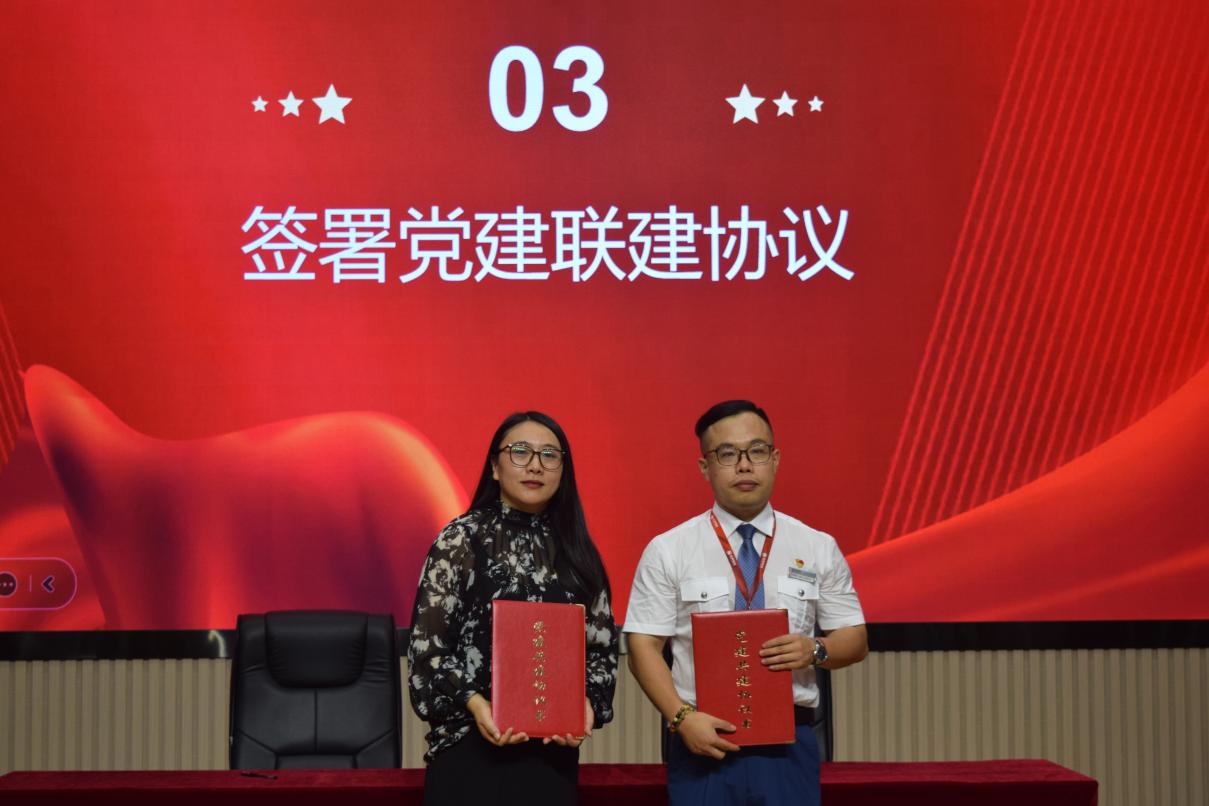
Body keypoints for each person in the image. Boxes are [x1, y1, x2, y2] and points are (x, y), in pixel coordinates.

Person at [624, 400, 868, 806]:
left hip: (789, 745)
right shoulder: (669, 550)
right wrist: (682, 718)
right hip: (703, 739)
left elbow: (855, 639)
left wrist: (815, 649)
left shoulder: (816, 546)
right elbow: (642, 647)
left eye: (756, 451)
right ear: (705, 467)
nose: (744, 466)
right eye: (727, 454)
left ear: (775, 459)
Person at [408, 411, 619, 806]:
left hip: (552, 753)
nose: (535, 465)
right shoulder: (459, 540)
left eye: (549, 455)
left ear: (563, 471)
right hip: (468, 748)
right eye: (520, 452)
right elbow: (428, 653)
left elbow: (601, 652)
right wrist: (477, 705)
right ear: (495, 466)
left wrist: (586, 705)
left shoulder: (578, 552)